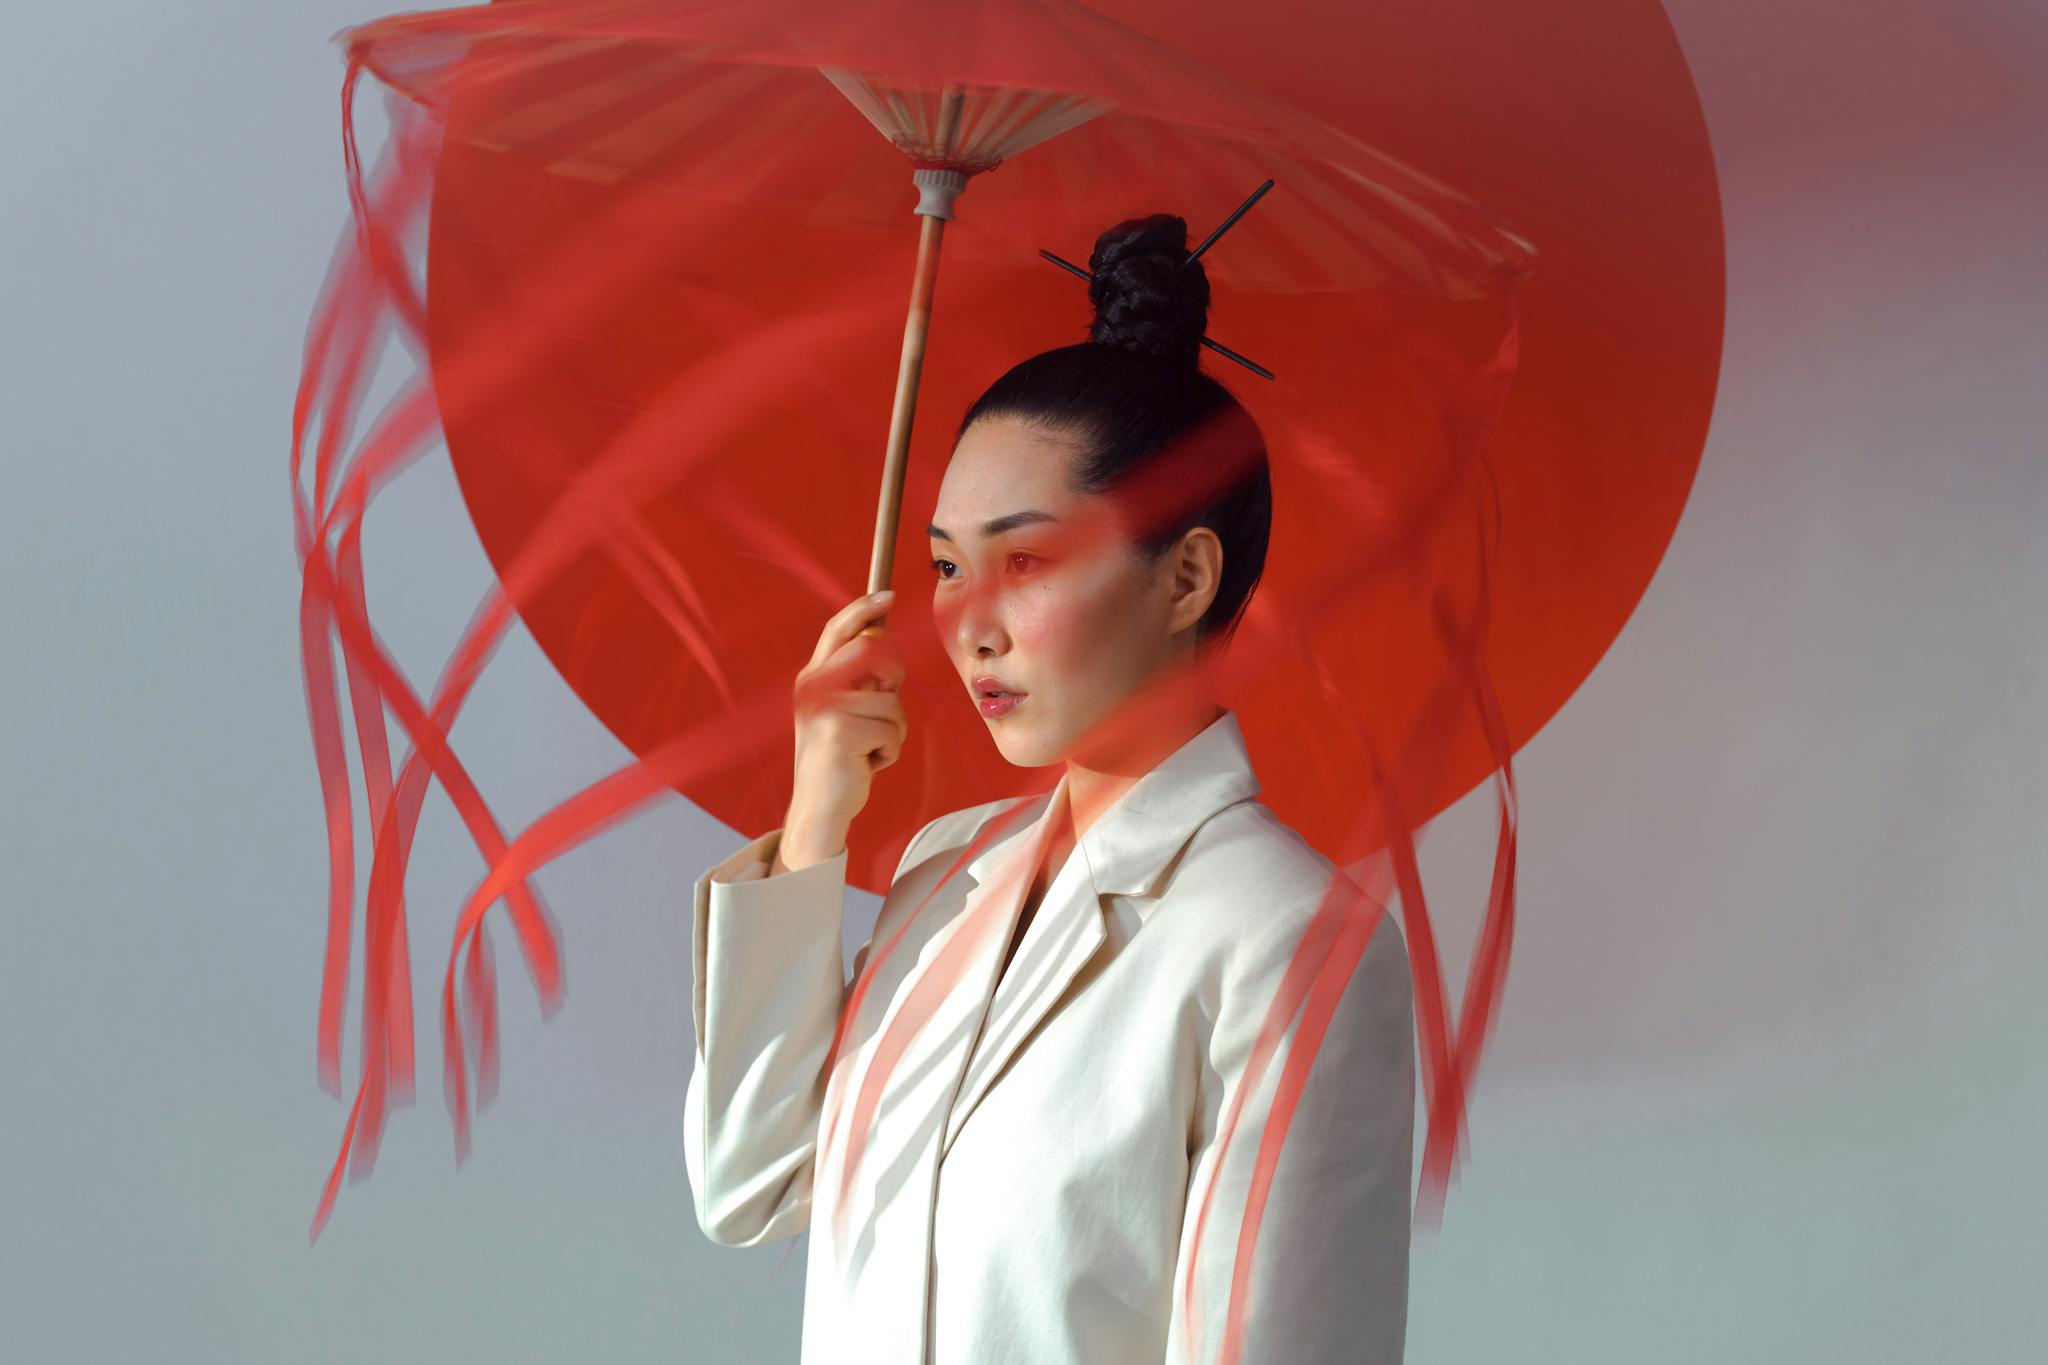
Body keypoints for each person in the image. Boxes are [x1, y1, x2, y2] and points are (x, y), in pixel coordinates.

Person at [683, 214, 1415, 1364]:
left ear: (1183, 576)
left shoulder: (1287, 939)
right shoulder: (943, 874)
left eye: (1023, 563)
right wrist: (816, 816)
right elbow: (747, 1183)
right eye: (943, 566)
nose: (967, 626)